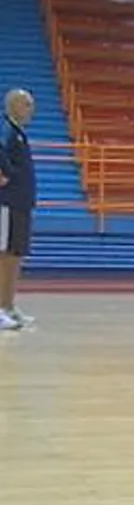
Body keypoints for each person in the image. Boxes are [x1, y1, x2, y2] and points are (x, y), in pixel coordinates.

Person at [0, 88, 36, 330]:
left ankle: (8, 306)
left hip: (21, 204)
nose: (31, 110)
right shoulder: (5, 128)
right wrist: (6, 174)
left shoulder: (19, 133)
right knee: (3, 255)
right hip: (8, 203)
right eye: (27, 104)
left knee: (15, 255)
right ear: (13, 105)